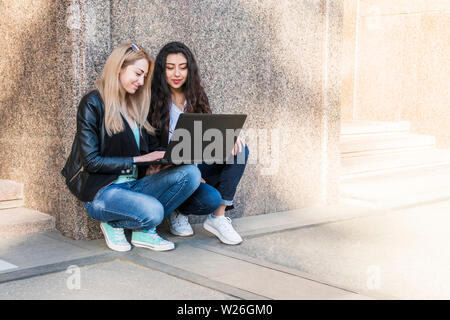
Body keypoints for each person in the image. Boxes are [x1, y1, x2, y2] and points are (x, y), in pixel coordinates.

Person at [66, 43, 203, 252]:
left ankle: (143, 232)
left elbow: (152, 149)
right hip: (102, 192)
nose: (140, 82)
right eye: (137, 74)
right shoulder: (93, 103)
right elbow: (91, 161)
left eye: (144, 77)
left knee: (191, 174)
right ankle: (113, 222)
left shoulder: (136, 106)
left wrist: (171, 155)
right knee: (154, 211)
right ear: (119, 67)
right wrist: (141, 160)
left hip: (134, 187)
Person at [149, 41, 249, 245]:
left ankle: (218, 217)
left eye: (182, 67)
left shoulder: (196, 96)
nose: (176, 73)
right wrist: (187, 170)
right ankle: (178, 210)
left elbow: (206, 136)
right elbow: (150, 151)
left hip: (195, 164)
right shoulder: (151, 101)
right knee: (203, 191)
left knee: (239, 149)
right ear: (162, 70)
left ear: (189, 69)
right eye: (170, 68)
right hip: (167, 171)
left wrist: (228, 137)